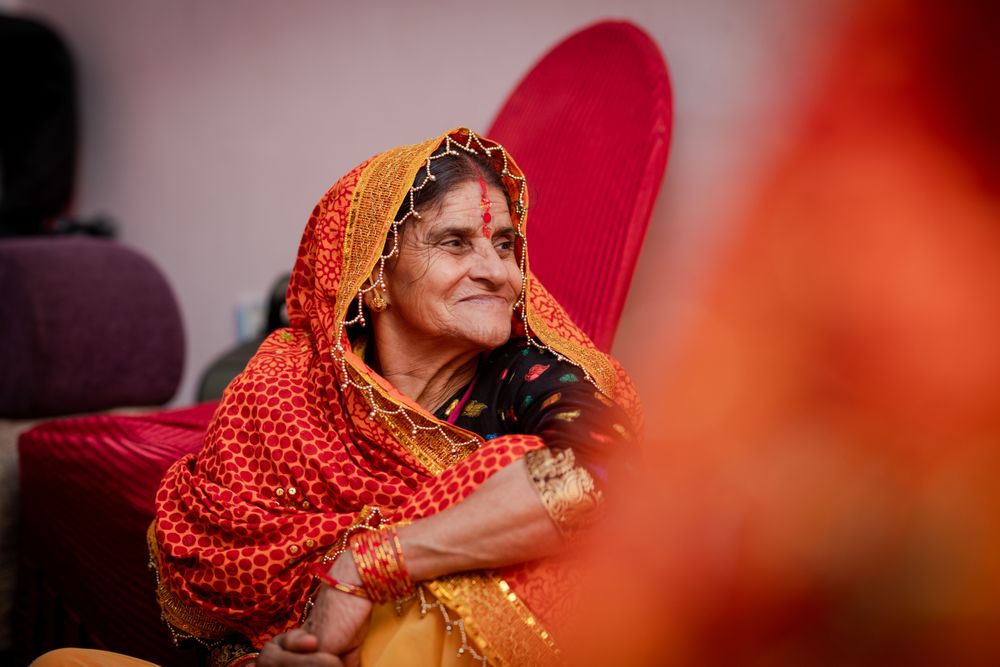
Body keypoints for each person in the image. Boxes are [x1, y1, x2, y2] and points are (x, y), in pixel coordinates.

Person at [35, 128, 639, 667]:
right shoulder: (284, 388)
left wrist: (366, 567)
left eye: (505, 245)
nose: (501, 273)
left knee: (509, 486)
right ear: (371, 276)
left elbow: (609, 473)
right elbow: (232, 612)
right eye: (455, 242)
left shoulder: (531, 376)